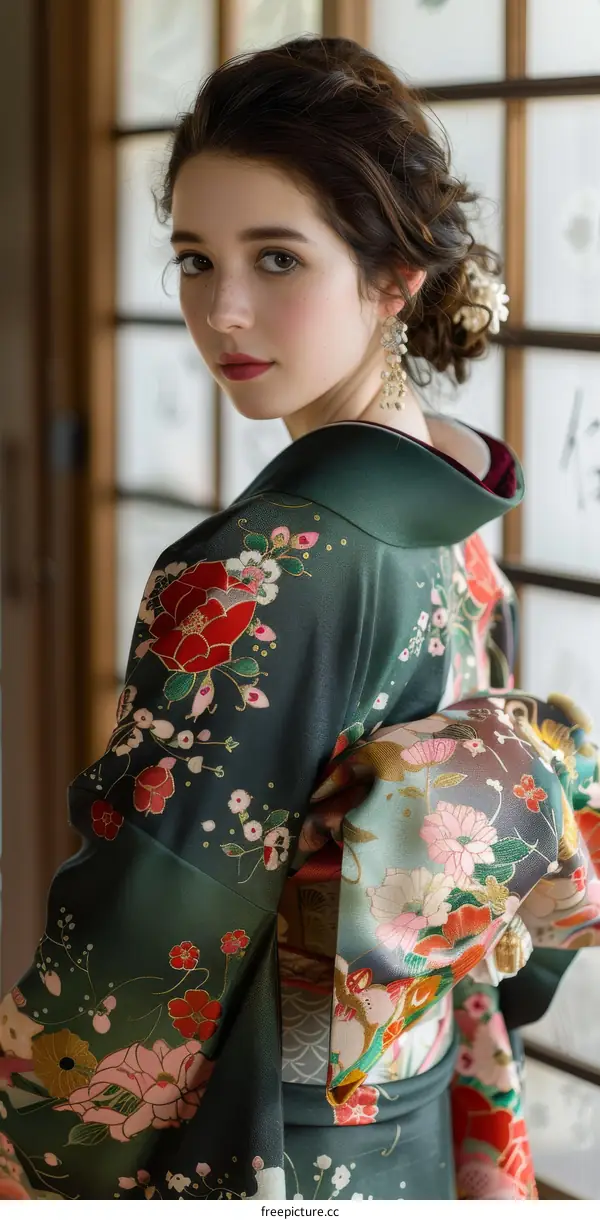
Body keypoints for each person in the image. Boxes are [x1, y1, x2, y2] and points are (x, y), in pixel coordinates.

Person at [1, 37, 599, 1202]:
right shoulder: (446, 501)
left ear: (397, 279)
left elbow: (155, 926)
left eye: (277, 257)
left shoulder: (267, 570)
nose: (222, 309)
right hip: (412, 1118)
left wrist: (29, 1147)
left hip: (271, 1141)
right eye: (194, 258)